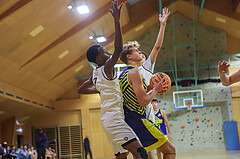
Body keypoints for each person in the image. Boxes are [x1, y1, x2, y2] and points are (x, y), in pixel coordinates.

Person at [78, 1, 148, 159]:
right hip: (115, 120)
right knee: (140, 153)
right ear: (98, 58)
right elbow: (118, 48)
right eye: (104, 52)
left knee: (121, 157)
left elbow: (80, 90)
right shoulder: (107, 68)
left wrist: (99, 89)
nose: (107, 53)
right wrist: (116, 21)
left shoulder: (95, 74)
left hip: (108, 120)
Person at [119, 31, 176, 159]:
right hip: (138, 119)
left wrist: (152, 86)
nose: (140, 52)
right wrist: (155, 90)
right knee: (170, 150)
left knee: (139, 155)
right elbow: (144, 102)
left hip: (129, 119)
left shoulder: (123, 74)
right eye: (136, 50)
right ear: (129, 56)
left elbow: (134, 94)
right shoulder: (134, 73)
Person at [137, 7, 170, 159]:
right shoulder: (142, 69)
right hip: (142, 118)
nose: (143, 55)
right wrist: (162, 25)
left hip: (137, 118)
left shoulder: (125, 74)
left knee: (146, 154)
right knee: (169, 150)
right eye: (140, 54)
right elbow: (157, 47)